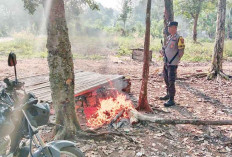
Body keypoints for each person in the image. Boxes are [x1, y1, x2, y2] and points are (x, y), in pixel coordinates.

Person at [159, 21, 185, 107]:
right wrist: (163, 51)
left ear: (175, 28)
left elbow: (181, 52)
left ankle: (172, 99)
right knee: (166, 79)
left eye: (170, 27)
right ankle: (168, 94)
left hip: (172, 64)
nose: (169, 29)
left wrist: (175, 61)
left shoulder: (179, 38)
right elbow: (166, 48)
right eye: (168, 27)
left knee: (171, 80)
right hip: (166, 62)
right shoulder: (169, 37)